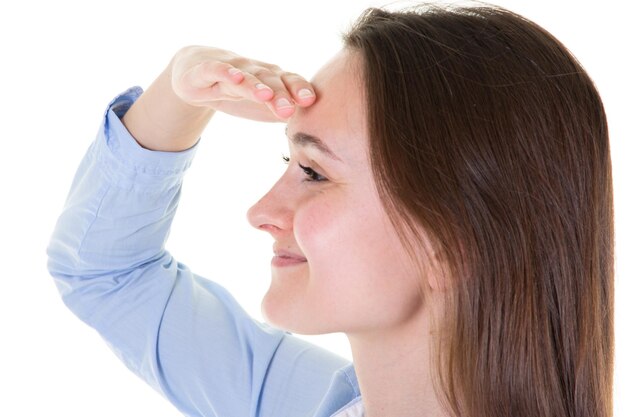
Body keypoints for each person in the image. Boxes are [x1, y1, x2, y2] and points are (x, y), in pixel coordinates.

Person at [47, 4, 614, 417]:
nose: (261, 211)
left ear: (452, 240)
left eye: (313, 173)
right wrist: (177, 94)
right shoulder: (308, 401)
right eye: (288, 161)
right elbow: (107, 273)